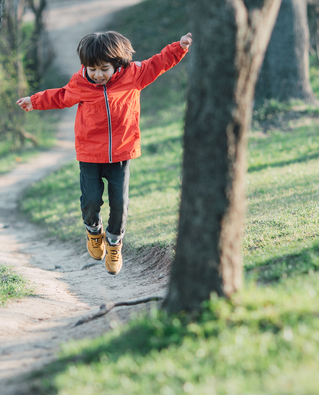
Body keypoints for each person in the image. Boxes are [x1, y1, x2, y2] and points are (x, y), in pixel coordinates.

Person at [17, 30, 192, 275]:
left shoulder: (134, 75)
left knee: (120, 204)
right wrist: (34, 101)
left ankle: (114, 243)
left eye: (104, 69)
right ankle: (93, 230)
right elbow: (61, 96)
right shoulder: (80, 82)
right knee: (90, 201)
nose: (97, 74)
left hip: (121, 153)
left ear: (117, 64)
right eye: (92, 69)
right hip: (89, 153)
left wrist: (179, 47)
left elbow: (159, 63)